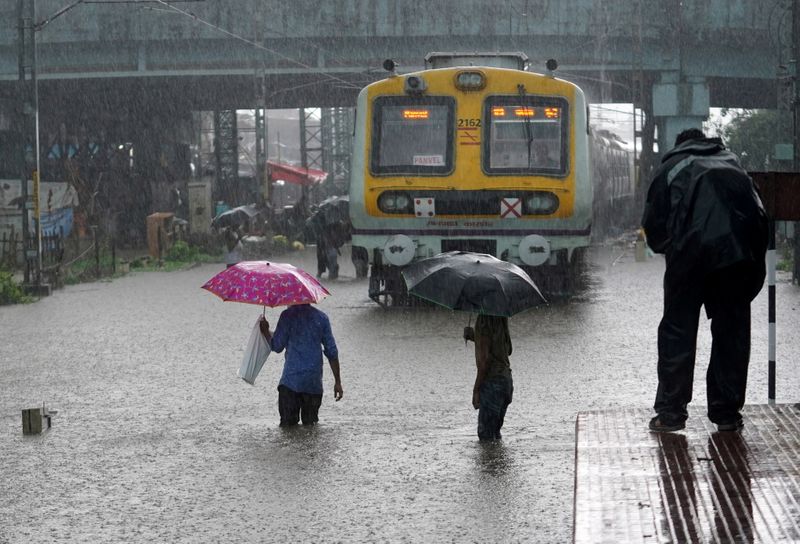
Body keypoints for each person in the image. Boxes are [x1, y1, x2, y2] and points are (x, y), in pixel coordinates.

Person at [642, 128, 768, 433]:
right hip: (735, 258)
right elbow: (760, 217)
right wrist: (751, 265)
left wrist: (671, 248)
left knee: (677, 331)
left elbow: (653, 225)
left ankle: (671, 415)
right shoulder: (733, 163)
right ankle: (726, 414)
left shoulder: (671, 168)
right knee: (732, 333)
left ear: (679, 144)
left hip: (689, 257)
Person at [259, 304, 343, 426]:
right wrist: (338, 382)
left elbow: (277, 346)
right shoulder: (322, 318)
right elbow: (332, 352)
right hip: (313, 384)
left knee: (288, 431)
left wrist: (266, 331)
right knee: (310, 430)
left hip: (290, 383)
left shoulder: (287, 316)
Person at [463, 315, 514, 441]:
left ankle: (491, 461)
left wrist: (476, 390)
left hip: (492, 384)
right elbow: (507, 350)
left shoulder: (483, 320)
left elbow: (484, 362)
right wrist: (476, 337)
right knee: (495, 436)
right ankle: (498, 460)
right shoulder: (502, 317)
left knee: (486, 437)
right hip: (506, 382)